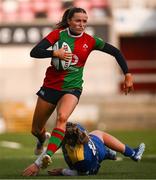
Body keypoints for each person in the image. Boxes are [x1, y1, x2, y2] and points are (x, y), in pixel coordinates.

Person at [29, 7, 134, 167]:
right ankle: (42, 139)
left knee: (62, 118)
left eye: (84, 21)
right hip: (50, 87)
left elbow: (115, 52)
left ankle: (47, 156)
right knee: (36, 129)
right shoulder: (58, 35)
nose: (81, 24)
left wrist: (127, 74)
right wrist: (54, 53)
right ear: (69, 21)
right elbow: (35, 52)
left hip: (73, 88)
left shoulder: (90, 41)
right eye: (78, 20)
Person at [22, 122, 145, 176]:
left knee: (98, 142)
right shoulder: (78, 132)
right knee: (98, 133)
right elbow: (53, 146)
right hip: (95, 147)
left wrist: (62, 172)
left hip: (92, 164)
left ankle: (107, 154)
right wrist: (38, 163)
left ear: (68, 141)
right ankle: (132, 153)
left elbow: (83, 173)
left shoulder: (80, 157)